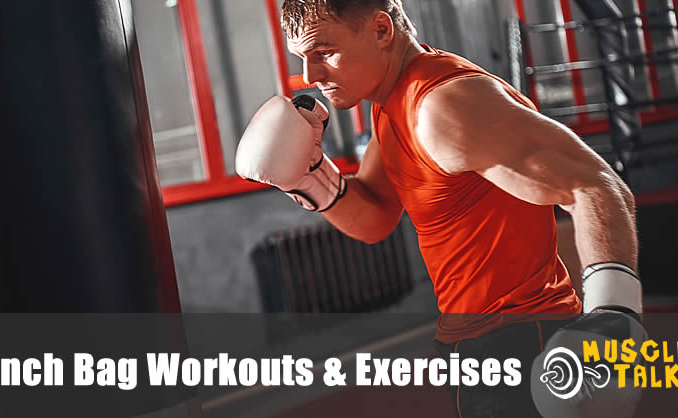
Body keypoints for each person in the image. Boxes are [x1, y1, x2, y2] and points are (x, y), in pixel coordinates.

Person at [235, 1, 644, 416]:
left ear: (380, 30)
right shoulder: (391, 104)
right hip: (473, 342)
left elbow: (597, 186)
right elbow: (375, 217)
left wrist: (613, 322)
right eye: (302, 59)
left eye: (324, 52)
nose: (310, 76)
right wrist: (310, 178)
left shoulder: (444, 107)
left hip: (523, 340)